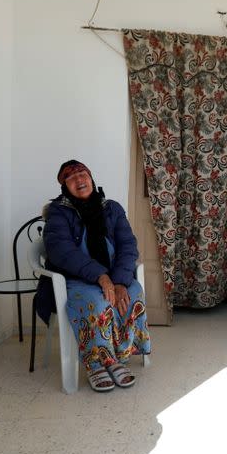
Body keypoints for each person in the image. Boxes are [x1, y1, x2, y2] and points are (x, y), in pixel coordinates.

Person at [36, 160, 151, 392]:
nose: (79, 180)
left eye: (83, 173)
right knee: (96, 301)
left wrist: (118, 281)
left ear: (91, 177)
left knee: (133, 292)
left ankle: (119, 357)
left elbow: (128, 245)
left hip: (114, 275)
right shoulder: (58, 212)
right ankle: (96, 364)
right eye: (71, 177)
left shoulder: (112, 208)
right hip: (75, 278)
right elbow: (61, 252)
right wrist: (101, 276)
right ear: (64, 186)